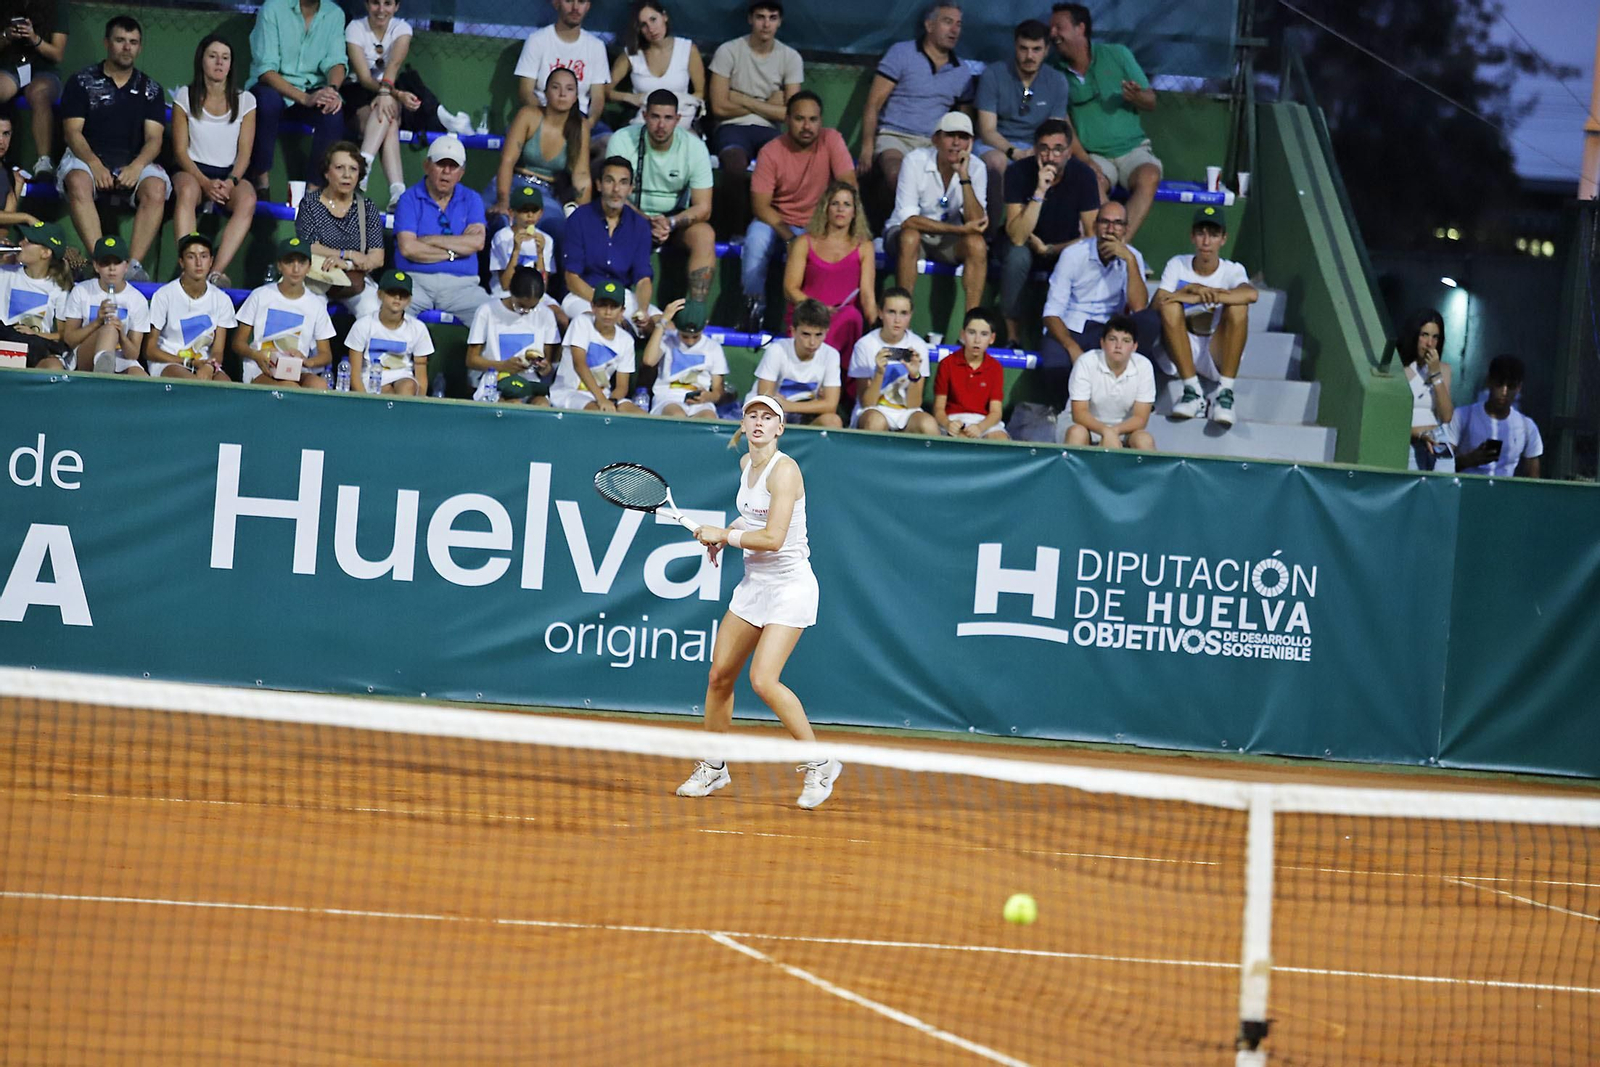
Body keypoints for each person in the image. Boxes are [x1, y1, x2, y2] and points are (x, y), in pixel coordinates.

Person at [676, 392, 841, 810]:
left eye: (768, 417)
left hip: (790, 586)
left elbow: (774, 538)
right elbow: (753, 520)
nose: (759, 422)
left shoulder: (785, 472)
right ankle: (713, 766)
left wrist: (723, 536)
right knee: (719, 677)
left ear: (780, 428)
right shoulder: (745, 463)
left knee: (763, 680)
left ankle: (820, 762)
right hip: (755, 585)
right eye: (753, 415)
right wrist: (727, 533)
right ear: (745, 423)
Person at [58, 16, 168, 283]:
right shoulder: (81, 81)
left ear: (140, 47)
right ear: (107, 43)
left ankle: (132, 267)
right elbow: (72, 132)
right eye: (120, 41)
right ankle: (103, 261)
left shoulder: (151, 89)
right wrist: (95, 164)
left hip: (132, 161)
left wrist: (137, 166)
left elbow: (154, 139)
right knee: (77, 180)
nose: (127, 47)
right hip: (87, 157)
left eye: (133, 42)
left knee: (156, 188)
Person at [740, 90, 855, 331]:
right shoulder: (771, 151)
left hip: (821, 222)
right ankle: (754, 309)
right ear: (787, 120)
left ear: (821, 121)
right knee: (755, 241)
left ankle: (834, 318)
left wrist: (823, 228)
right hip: (778, 220)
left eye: (813, 120)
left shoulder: (831, 140)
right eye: (799, 119)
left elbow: (848, 186)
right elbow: (761, 206)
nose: (806, 126)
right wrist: (791, 237)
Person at [1048, 2, 1161, 239]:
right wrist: (1085, 160)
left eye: (1059, 27)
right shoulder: (1054, 71)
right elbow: (1064, 123)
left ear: (1080, 28)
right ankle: (1111, 248)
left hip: (1133, 150)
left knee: (1150, 175)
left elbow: (1151, 101)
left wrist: (1137, 96)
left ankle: (1116, 246)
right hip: (1093, 154)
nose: (1053, 34)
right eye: (1051, 28)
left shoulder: (1117, 54)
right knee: (1089, 181)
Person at [606, 90, 716, 318]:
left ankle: (694, 313)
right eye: (655, 117)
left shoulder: (694, 148)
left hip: (674, 220)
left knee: (705, 234)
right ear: (644, 116)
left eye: (668, 118)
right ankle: (613, 305)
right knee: (609, 220)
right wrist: (646, 221)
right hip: (629, 215)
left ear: (678, 119)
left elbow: (704, 207)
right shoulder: (623, 139)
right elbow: (612, 194)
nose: (661, 125)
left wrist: (671, 222)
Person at [1039, 200, 1151, 404]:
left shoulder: (1133, 257)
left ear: (1126, 229)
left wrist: (1130, 262)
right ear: (1095, 226)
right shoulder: (1073, 255)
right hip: (1071, 326)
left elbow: (1139, 307)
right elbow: (1051, 313)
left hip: (1108, 329)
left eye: (1117, 223)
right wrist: (1072, 347)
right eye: (1105, 222)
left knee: (1150, 320)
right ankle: (1061, 414)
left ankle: (1130, 398)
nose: (1111, 229)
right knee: (1056, 364)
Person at [857, 2, 973, 198]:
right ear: (929, 26)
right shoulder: (901, 53)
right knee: (898, 174)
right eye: (947, 22)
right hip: (896, 137)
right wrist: (867, 148)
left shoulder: (961, 71)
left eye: (959, 24)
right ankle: (900, 227)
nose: (954, 30)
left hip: (935, 143)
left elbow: (965, 121)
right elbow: (873, 104)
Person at [1152, 206, 1255, 424]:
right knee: (1169, 306)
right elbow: (1158, 303)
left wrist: (1207, 296)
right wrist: (1190, 290)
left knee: (1239, 308)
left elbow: (1251, 294)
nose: (1206, 242)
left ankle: (1225, 393)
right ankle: (1192, 392)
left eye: (1214, 235)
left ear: (1223, 239)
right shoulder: (1177, 264)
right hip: (1180, 346)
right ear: (1192, 236)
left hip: (1216, 350)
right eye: (1201, 234)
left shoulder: (1232, 269)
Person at [1001, 118, 1101, 343]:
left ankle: (1075, 332)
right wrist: (1039, 191)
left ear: (1068, 152)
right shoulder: (1017, 172)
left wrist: (1053, 249)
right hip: (1025, 243)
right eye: (1044, 149)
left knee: (1085, 257)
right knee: (1017, 256)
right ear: (1035, 150)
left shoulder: (1084, 176)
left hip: (1063, 245)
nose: (1051, 157)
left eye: (1058, 150)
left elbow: (1092, 236)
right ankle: (1013, 336)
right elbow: (1017, 236)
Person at [172, 34, 258, 288]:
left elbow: (244, 153)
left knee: (249, 198)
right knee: (187, 190)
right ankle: (188, 269)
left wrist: (231, 182)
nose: (219, 63)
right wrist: (204, 182)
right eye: (213, 56)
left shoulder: (246, 100)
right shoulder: (184, 96)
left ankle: (215, 273)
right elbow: (180, 151)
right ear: (202, 61)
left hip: (229, 174)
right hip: (193, 171)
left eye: (225, 58)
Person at [884, 111, 987, 312]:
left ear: (971, 143)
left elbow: (976, 223)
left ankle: (970, 325)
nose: (956, 143)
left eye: (963, 137)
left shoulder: (977, 168)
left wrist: (964, 176)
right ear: (936, 139)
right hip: (909, 235)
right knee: (910, 237)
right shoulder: (914, 161)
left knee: (977, 244)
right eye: (950, 135)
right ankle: (902, 316)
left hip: (948, 242)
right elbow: (909, 221)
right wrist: (959, 230)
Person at [247, 0, 347, 193]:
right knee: (267, 102)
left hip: (312, 87)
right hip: (274, 85)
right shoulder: (273, 8)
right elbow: (266, 70)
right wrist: (304, 98)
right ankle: (261, 181)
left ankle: (315, 190)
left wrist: (332, 90)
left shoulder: (335, 14)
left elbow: (336, 61)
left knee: (333, 111)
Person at [976, 20, 1072, 216]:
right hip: (998, 144)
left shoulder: (1057, 81)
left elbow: (1056, 132)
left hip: (1037, 145)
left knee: (1058, 161)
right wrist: (1015, 152)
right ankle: (994, 229)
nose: (1029, 56)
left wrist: (1039, 152)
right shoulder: (993, 74)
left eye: (1036, 49)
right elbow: (987, 131)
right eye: (1024, 48)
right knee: (996, 162)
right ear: (1015, 46)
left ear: (1046, 50)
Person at [492, 67, 591, 248]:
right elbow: (507, 161)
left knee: (562, 233)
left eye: (569, 89)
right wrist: (503, 201)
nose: (562, 94)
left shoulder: (581, 126)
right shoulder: (528, 114)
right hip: (513, 184)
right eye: (556, 87)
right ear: (545, 92)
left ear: (576, 96)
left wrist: (583, 218)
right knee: (496, 224)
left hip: (546, 194)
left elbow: (582, 176)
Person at [393, 135, 490, 320]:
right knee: (391, 311)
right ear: (427, 165)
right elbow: (408, 248)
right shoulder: (409, 199)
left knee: (491, 316)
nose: (446, 171)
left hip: (463, 287)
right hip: (415, 283)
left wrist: (429, 240)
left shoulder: (472, 199)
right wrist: (456, 251)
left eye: (453, 166)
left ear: (461, 172)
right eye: (440, 164)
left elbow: (477, 243)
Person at [707, 0, 803, 180]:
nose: (766, 24)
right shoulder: (728, 51)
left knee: (782, 164)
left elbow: (792, 114)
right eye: (760, 17)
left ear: (780, 21)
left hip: (769, 129)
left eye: (772, 18)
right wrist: (768, 105)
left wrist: (742, 99)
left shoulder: (791, 57)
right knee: (734, 165)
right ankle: (734, 209)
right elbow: (719, 108)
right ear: (750, 19)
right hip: (731, 126)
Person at [783, 180, 876, 362]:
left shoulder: (864, 246)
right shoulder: (804, 242)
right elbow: (790, 288)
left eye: (847, 204)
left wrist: (879, 328)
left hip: (843, 318)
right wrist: (819, 309)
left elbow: (867, 295)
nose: (841, 209)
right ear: (826, 208)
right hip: (809, 315)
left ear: (854, 212)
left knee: (851, 317)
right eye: (835, 204)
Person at [295, 141, 387, 317]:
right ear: (327, 173)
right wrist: (348, 254)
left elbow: (377, 258)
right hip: (317, 276)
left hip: (353, 276)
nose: (347, 175)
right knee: (309, 310)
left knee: (374, 312)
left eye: (353, 169)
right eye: (339, 168)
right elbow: (309, 245)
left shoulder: (366, 207)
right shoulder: (311, 203)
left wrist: (348, 264)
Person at [342, 0, 419, 210]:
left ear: (396, 7)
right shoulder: (355, 28)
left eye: (387, 4)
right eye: (375, 3)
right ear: (367, 5)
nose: (381, 9)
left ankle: (363, 167)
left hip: (388, 90)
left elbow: (394, 65)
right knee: (389, 116)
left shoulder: (402, 28)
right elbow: (364, 77)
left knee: (387, 112)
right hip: (358, 91)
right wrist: (392, 93)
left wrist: (388, 92)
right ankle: (397, 191)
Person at [562, 157, 655, 326]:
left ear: (630, 189)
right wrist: (604, 306)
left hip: (622, 295)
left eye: (623, 182)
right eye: (609, 181)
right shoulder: (579, 219)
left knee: (661, 326)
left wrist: (642, 310)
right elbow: (571, 277)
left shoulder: (639, 225)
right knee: (593, 321)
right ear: (598, 185)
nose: (616, 189)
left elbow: (643, 279)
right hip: (584, 294)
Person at [232, 236, 335, 389]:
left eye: (301, 263)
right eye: (289, 262)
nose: (296, 269)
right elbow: (238, 343)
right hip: (262, 369)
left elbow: (326, 354)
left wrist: (307, 361)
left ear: (309, 267)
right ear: (279, 266)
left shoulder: (316, 304)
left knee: (319, 386)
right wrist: (256, 355)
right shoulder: (260, 295)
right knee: (290, 387)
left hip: (297, 370)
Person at [143, 232, 236, 381]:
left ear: (211, 261)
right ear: (181, 262)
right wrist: (189, 363)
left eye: (204, 256)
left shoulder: (222, 300)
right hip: (168, 362)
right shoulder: (164, 295)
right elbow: (150, 349)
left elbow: (218, 351)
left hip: (204, 362)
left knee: (226, 386)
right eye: (191, 257)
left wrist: (210, 366)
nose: (199, 263)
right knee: (192, 384)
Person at [848, 286, 938, 434]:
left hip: (905, 412)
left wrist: (914, 376)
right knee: (875, 422)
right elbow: (867, 403)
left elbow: (914, 404)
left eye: (904, 313)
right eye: (891, 312)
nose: (897, 320)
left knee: (928, 424)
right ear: (880, 313)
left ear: (911, 315)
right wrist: (879, 373)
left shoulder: (918, 345)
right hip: (873, 409)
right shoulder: (865, 345)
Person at [465, 266, 560, 403]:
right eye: (521, 306)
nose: (525, 311)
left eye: (532, 308)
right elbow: (471, 360)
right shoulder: (487, 311)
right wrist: (503, 365)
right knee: (514, 403)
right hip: (497, 379)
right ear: (511, 292)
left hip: (530, 381)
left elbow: (547, 365)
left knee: (542, 405)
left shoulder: (546, 314)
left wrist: (544, 368)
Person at [60, 235, 149, 375]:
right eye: (106, 263)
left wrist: (122, 335)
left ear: (126, 266)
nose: (112, 269)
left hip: (121, 356)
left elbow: (133, 354)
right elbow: (70, 339)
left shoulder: (137, 300)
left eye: (117, 262)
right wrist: (97, 323)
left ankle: (105, 370)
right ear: (96, 266)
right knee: (109, 330)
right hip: (85, 354)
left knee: (140, 377)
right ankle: (102, 376)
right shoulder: (82, 291)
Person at [514, 0, 609, 129]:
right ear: (556, 3)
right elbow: (526, 92)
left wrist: (588, 124)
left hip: (579, 117)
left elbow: (598, 97)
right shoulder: (537, 40)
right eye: (569, 1)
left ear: (588, 6)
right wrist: (546, 121)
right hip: (542, 114)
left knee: (606, 142)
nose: (575, 7)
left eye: (581, 2)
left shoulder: (596, 46)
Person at [1064, 313, 1154, 450]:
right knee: (1077, 433)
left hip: (1124, 430)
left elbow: (1141, 418)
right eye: (1112, 339)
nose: (1118, 346)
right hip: (1085, 427)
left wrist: (1114, 432)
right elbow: (1079, 413)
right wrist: (1106, 431)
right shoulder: (1085, 362)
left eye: (1126, 341)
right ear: (1102, 343)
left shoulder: (1144, 366)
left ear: (1135, 347)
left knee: (1144, 440)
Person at [0, 0, 68, 180]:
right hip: (11, 66)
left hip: (43, 69)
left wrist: (34, 38)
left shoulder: (57, 6)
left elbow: (57, 54)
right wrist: (7, 35)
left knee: (39, 93)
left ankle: (43, 162)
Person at [552, 280, 645, 412]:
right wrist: (601, 400)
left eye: (613, 307)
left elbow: (622, 386)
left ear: (622, 311)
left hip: (604, 395)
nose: (608, 312)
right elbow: (579, 364)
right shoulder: (582, 322)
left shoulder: (626, 340)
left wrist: (611, 402)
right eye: (602, 306)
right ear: (593, 307)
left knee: (637, 413)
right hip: (568, 392)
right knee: (596, 411)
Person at [610, 1, 705, 128]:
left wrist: (678, 105)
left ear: (664, 17)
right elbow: (605, 90)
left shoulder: (687, 49)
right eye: (644, 25)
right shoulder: (632, 54)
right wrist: (630, 97)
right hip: (643, 120)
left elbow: (700, 92)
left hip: (680, 119)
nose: (651, 29)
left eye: (653, 19)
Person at [754, 298, 842, 427]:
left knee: (832, 421)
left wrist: (789, 406)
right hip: (770, 412)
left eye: (818, 335)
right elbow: (765, 398)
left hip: (803, 413)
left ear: (826, 332)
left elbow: (831, 405)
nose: (812, 342)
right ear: (793, 331)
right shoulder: (777, 350)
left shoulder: (831, 355)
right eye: (806, 334)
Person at [1451, 355, 1542, 479]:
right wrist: (1470, 460)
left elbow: (1533, 476)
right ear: (1489, 382)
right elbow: (1440, 465)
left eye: (1511, 386)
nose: (1504, 392)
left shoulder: (1526, 426)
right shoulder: (1464, 416)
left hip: (1503, 495)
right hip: (1465, 492)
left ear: (1519, 388)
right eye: (1499, 384)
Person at [346, 269, 434, 396]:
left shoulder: (418, 328)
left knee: (408, 386)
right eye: (392, 293)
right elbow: (355, 374)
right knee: (386, 391)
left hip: (403, 377)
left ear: (409, 300)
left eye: (403, 294)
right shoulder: (363, 325)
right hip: (371, 378)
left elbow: (421, 376)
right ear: (380, 294)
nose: (397, 298)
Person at [0, 221, 73, 368]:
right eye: (23, 239)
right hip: (3, 341)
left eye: (29, 241)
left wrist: (33, 334)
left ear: (45, 253)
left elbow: (63, 334)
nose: (21, 243)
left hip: (32, 348)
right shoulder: (5, 273)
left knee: (53, 365)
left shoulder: (58, 289)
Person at [640, 297, 727, 418]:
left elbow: (718, 390)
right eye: (685, 336)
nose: (690, 341)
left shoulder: (714, 348)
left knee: (708, 418)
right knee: (677, 415)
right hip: (668, 397)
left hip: (700, 402)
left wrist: (709, 396)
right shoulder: (667, 340)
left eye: (695, 337)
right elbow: (648, 361)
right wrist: (663, 322)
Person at [933, 306, 1007, 439]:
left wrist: (980, 427)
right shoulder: (947, 364)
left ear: (992, 338)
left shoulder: (995, 368)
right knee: (962, 439)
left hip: (983, 422)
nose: (977, 340)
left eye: (984, 334)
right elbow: (939, 408)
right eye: (972, 332)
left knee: (1000, 438)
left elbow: (996, 412)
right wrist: (948, 423)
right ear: (962, 335)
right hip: (955, 419)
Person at [1396, 309, 1455, 472]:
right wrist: (1420, 434)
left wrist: (1436, 374)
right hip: (1410, 444)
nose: (1430, 343)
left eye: (1435, 337)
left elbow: (1446, 416)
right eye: (1424, 335)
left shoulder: (1444, 370)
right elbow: (1394, 417)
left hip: (1438, 443)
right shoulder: (1402, 370)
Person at [488, 185, 558, 315]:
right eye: (524, 210)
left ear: (541, 213)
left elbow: (542, 285)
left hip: (534, 293)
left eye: (534, 210)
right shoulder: (502, 237)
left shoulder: (546, 240)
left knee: (560, 317)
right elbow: (505, 284)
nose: (530, 215)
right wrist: (516, 250)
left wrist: (540, 254)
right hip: (505, 294)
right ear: (511, 212)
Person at [0, 113, 43, 234]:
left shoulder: (12, 176)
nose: (1, 141)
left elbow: (5, 226)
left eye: (6, 134)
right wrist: (26, 217)